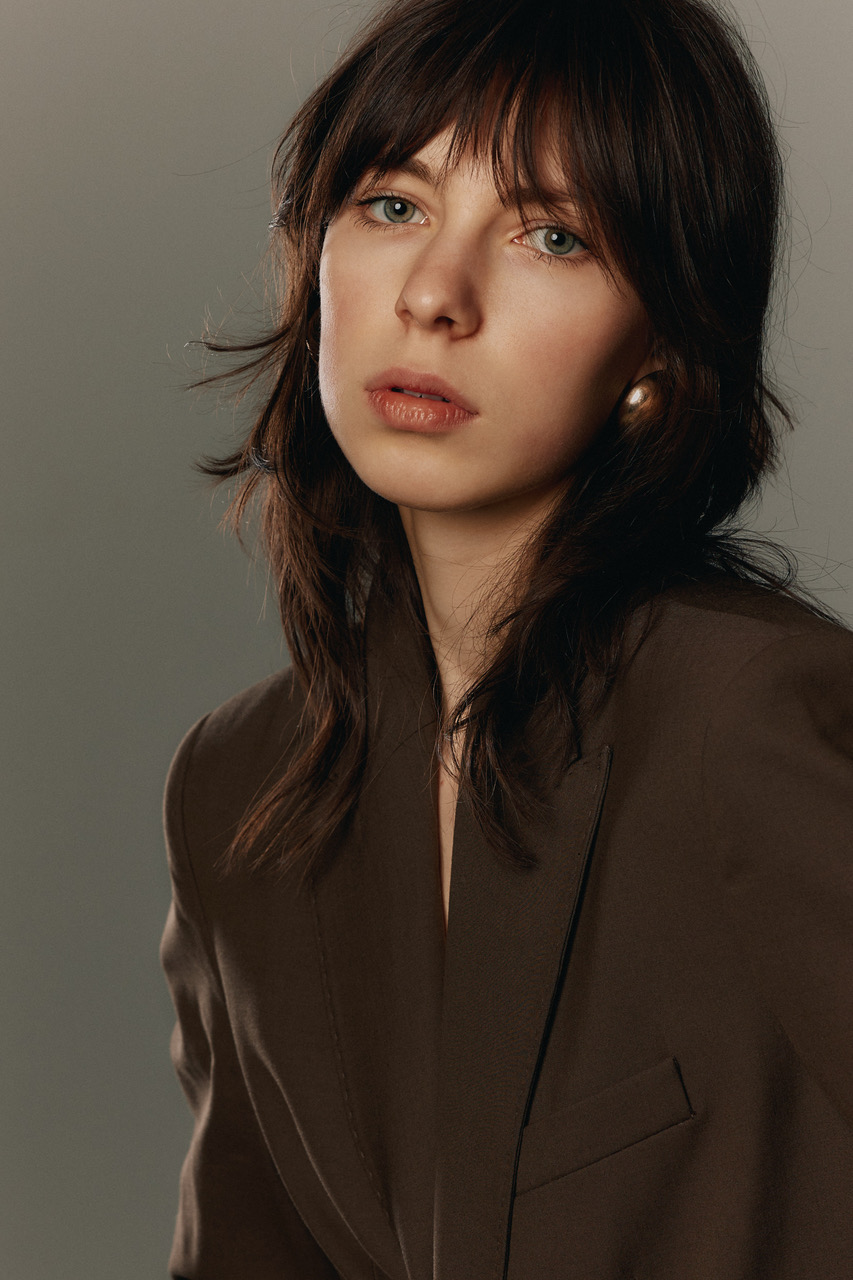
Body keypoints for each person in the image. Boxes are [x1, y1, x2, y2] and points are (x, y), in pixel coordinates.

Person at [160, 0, 853, 1275]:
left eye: (550, 235)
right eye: (392, 204)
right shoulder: (236, 788)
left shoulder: (748, 717)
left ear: (660, 342)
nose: (434, 295)